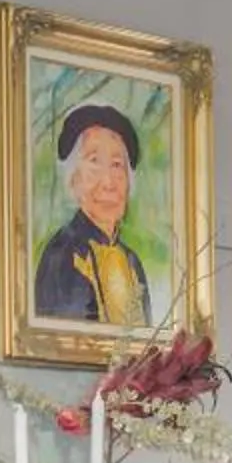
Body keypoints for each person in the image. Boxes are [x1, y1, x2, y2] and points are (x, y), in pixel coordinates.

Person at [33, 102, 152, 326]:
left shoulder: (132, 262)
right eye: (94, 162)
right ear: (73, 179)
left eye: (117, 165)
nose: (108, 183)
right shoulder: (62, 256)